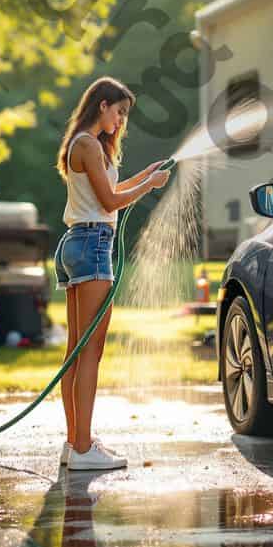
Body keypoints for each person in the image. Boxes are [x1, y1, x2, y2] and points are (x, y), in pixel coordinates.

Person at [53, 76, 170, 470]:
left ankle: (75, 443)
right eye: (118, 112)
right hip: (91, 246)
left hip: (78, 242)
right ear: (101, 105)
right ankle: (84, 448)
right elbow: (108, 201)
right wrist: (149, 186)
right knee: (90, 352)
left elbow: (107, 195)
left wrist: (144, 177)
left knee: (75, 351)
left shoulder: (84, 144)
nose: (120, 122)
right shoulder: (87, 144)